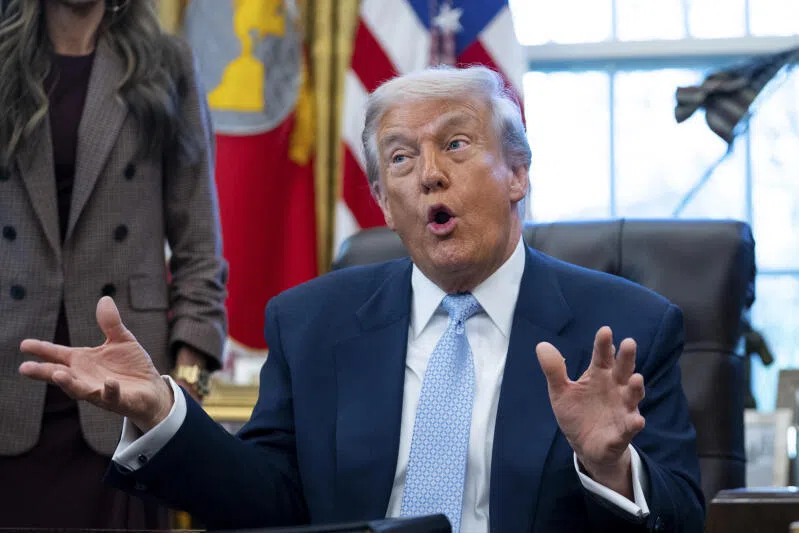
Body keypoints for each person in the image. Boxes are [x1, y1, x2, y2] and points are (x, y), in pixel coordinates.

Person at [19, 66, 704, 533]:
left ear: (517, 171)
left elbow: (683, 514)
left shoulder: (624, 331)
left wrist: (610, 466)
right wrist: (165, 410)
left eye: (456, 145)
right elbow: (269, 500)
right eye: (401, 159)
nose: (429, 174)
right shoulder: (311, 323)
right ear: (381, 199)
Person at [1, 0, 227, 528]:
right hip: (11, 372)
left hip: (123, 379)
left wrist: (185, 386)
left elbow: (199, 245)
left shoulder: (166, 63)